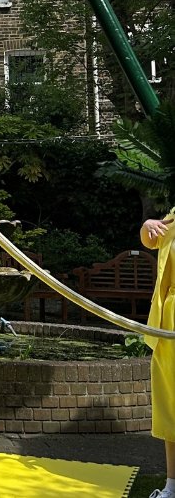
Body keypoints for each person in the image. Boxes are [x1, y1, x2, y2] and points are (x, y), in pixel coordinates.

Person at [141, 208, 175, 498]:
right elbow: (149, 239)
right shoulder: (174, 217)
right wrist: (147, 225)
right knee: (169, 405)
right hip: (170, 318)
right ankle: (172, 487)